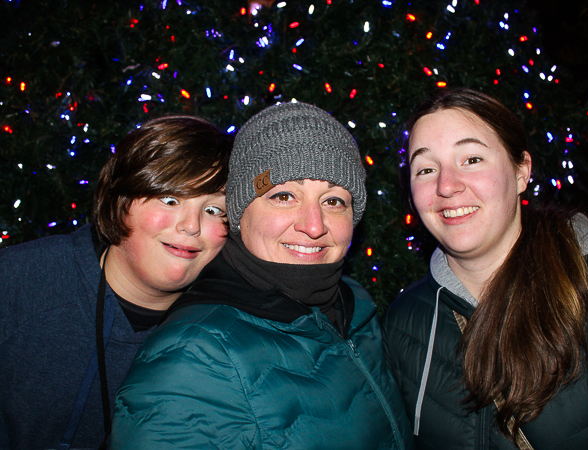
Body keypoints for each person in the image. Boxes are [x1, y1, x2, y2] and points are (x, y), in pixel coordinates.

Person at [382, 88, 588, 449]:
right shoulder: (403, 321)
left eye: (471, 159)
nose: (446, 185)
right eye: (426, 168)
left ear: (522, 172)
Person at [111, 102, 413, 450]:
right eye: (284, 196)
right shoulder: (194, 359)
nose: (314, 226)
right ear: (238, 214)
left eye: (333, 201)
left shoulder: (357, 307)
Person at [0, 116, 232, 449]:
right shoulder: (20, 282)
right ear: (119, 202)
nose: (191, 226)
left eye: (213, 209)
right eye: (170, 200)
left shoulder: (221, 334)